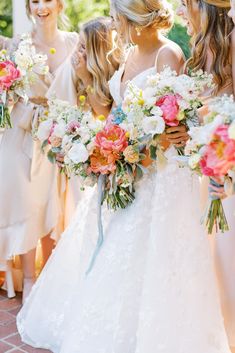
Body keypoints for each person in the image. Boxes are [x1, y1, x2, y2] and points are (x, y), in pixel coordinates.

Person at [17, 1, 231, 352]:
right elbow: (115, 112)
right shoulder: (129, 53)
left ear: (137, 19)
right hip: (129, 167)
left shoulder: (169, 55)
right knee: (118, 254)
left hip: (162, 177)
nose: (114, 24)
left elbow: (176, 122)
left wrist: (146, 145)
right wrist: (101, 147)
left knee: (156, 255)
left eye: (118, 17)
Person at [0, 0, 79, 303]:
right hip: (22, 136)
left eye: (47, 0)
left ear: (60, 4)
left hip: (59, 137)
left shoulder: (74, 42)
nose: (41, 7)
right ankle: (30, 279)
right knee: (25, 205)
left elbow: (86, 87)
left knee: (54, 206)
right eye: (34, 1)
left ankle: (49, 275)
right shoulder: (17, 45)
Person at [177, 0, 235, 351]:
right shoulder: (193, 58)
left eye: (186, 4)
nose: (182, 12)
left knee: (227, 260)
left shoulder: (231, 49)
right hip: (203, 173)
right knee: (206, 263)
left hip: (226, 174)